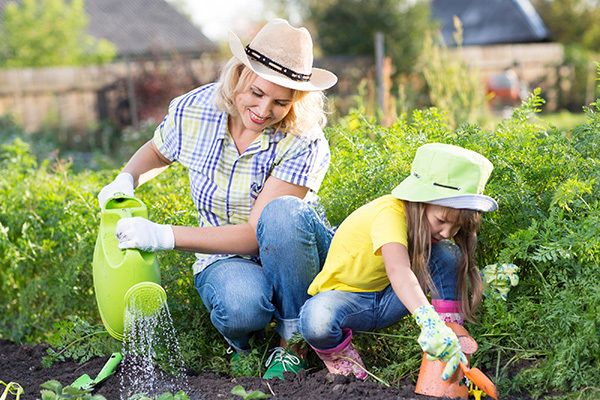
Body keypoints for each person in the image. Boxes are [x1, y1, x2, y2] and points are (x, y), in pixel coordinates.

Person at [96, 18, 337, 380]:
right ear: (239, 74)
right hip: (224, 255)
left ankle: (294, 341)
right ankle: (245, 342)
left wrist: (163, 236)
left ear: (297, 101)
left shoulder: (304, 140)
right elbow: (159, 152)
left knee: (283, 214)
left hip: (293, 252)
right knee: (241, 309)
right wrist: (126, 179)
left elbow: (260, 233)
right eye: (256, 93)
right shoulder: (196, 110)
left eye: (280, 102)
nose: (264, 110)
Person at [297, 143, 498, 381]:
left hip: (390, 299)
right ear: (420, 202)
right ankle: (348, 368)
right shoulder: (390, 213)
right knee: (317, 321)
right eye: (442, 220)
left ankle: (448, 344)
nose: (446, 232)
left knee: (447, 254)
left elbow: (422, 272)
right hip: (347, 300)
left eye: (456, 227)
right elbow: (399, 270)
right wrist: (427, 320)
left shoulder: (430, 228)